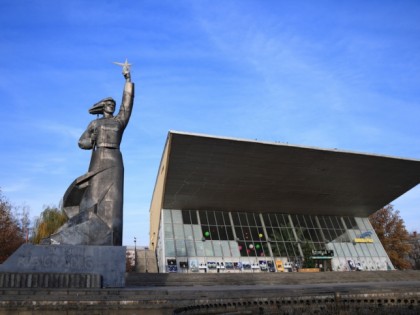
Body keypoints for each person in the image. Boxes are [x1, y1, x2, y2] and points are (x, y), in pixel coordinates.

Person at [51, 62, 134, 246]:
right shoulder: (94, 124)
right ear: (103, 106)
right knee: (93, 199)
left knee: (114, 203)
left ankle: (110, 239)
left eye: (114, 104)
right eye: (109, 103)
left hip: (115, 160)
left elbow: (127, 106)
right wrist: (92, 139)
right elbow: (82, 142)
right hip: (98, 160)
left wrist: (128, 79)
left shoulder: (119, 121)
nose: (112, 106)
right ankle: (86, 230)